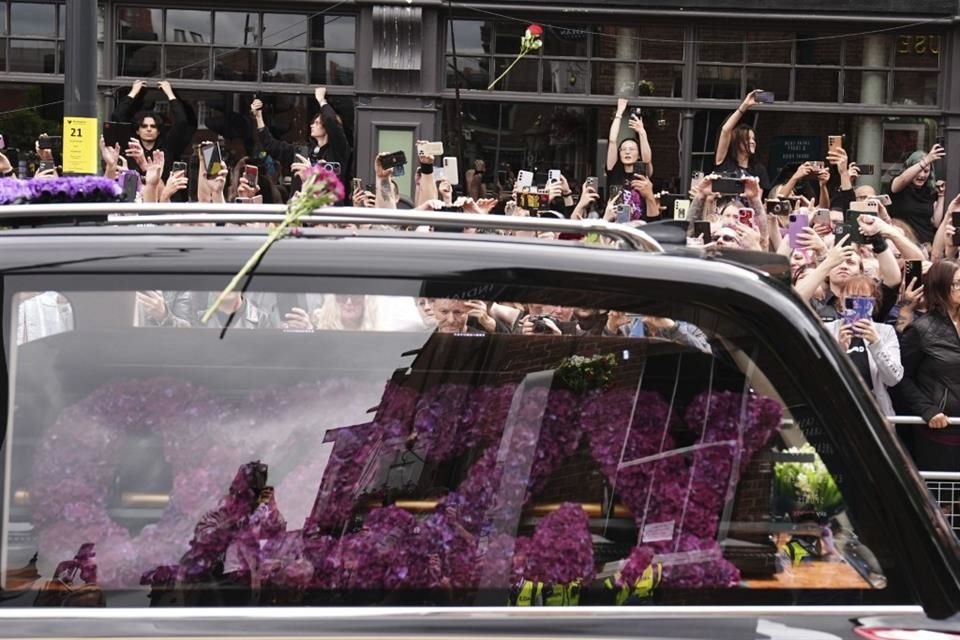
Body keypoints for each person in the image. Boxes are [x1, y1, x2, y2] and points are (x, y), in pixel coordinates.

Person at [897, 259, 960, 470]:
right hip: (941, 431)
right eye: (957, 283)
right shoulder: (920, 329)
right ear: (940, 287)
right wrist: (927, 409)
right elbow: (901, 377)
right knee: (943, 490)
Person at [250, 87, 351, 199]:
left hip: (327, 207)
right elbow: (272, 146)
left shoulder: (338, 150)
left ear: (326, 127)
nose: (311, 125)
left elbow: (331, 121)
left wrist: (322, 100)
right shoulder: (302, 151)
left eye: (317, 123)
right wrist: (258, 117)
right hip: (299, 205)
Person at [824, 275, 902, 416]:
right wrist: (838, 351)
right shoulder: (826, 330)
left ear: (873, 303)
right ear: (841, 300)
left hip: (874, 414)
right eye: (852, 298)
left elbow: (893, 379)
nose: (857, 304)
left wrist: (876, 343)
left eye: (864, 299)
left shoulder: (885, 332)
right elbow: (820, 378)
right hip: (835, 411)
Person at [111, 79, 196, 181]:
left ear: (158, 131)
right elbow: (117, 117)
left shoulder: (167, 147)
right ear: (137, 131)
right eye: (144, 126)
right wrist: (133, 92)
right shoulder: (131, 147)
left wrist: (170, 93)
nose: (149, 129)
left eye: (153, 126)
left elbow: (181, 121)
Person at [606, 99, 657, 221]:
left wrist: (642, 132)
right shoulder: (615, 170)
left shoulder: (642, 173)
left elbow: (647, 159)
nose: (627, 152)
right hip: (616, 223)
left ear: (639, 155)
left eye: (632, 149)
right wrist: (619, 113)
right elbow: (612, 141)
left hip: (640, 225)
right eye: (623, 149)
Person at [713, 90, 771, 193]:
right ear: (737, 142)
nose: (752, 142)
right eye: (747, 139)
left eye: (753, 139)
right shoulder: (725, 163)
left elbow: (758, 198)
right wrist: (744, 106)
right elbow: (725, 130)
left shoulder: (759, 169)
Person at [889, 144, 945, 245]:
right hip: (904, 243)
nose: (922, 175)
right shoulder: (900, 186)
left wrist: (941, 195)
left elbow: (935, 222)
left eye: (926, 171)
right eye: (919, 171)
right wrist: (925, 161)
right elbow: (901, 180)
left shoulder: (929, 191)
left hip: (925, 245)